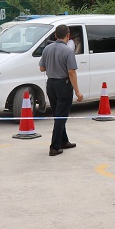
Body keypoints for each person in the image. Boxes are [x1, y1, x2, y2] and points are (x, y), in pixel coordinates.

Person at [39, 25, 84, 156]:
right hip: (63, 85)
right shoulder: (68, 51)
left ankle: (64, 141)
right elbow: (71, 72)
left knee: (58, 115)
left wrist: (53, 65)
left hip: (51, 84)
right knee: (61, 116)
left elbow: (42, 68)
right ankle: (55, 146)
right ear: (68, 36)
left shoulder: (47, 48)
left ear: (55, 35)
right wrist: (77, 92)